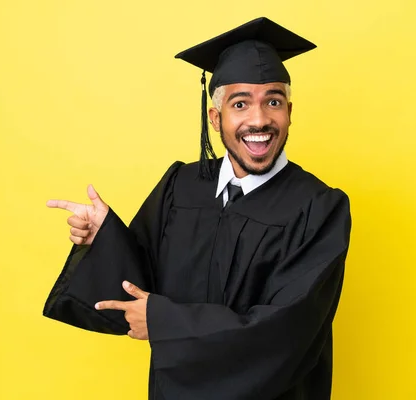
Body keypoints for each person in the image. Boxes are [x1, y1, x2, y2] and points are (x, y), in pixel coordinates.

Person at [43, 17, 352, 400]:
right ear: (215, 117)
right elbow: (140, 276)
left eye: (273, 101)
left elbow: (287, 329)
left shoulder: (318, 208)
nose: (259, 119)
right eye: (241, 104)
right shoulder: (181, 186)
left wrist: (164, 322)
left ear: (290, 111)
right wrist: (103, 237)